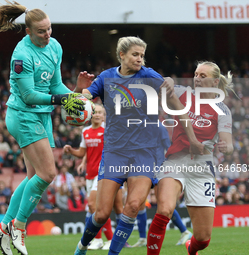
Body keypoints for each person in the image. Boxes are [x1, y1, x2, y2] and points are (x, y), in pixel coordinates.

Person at [73, 36, 204, 255]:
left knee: (133, 206)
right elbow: (80, 102)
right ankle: (82, 246)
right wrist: (78, 90)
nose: (140, 60)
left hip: (144, 153)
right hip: (115, 152)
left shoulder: (148, 76)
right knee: (101, 213)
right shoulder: (106, 78)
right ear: (121, 55)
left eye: (142, 55)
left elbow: (178, 106)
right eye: (135, 54)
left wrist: (192, 139)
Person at [0, 2, 93, 255]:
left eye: (50, 29)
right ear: (28, 32)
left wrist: (75, 93)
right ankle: (19, 227)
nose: (48, 35)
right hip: (23, 115)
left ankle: (3, 226)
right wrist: (64, 100)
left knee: (32, 177)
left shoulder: (55, 46)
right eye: (41, 31)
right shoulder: (21, 55)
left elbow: (55, 86)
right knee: (47, 174)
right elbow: (29, 95)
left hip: (41, 117)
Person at [146, 61, 234, 255]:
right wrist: (167, 80)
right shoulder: (184, 93)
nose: (197, 79)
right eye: (196, 74)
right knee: (164, 210)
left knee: (202, 239)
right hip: (175, 160)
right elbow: (166, 82)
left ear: (215, 81)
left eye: (203, 76)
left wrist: (226, 146)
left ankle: (190, 248)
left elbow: (228, 143)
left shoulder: (222, 110)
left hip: (202, 167)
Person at [64, 104, 119, 250]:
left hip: (104, 173)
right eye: (95, 112)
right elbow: (83, 152)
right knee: (95, 208)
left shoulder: (108, 129)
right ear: (90, 114)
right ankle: (103, 240)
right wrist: (71, 151)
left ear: (104, 115)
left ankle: (105, 240)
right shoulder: (86, 131)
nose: (98, 115)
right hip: (90, 173)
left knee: (92, 205)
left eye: (101, 112)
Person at [132, 123, 192, 248]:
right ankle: (143, 238)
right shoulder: (137, 126)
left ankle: (185, 231)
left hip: (159, 168)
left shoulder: (159, 127)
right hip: (143, 168)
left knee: (163, 203)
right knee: (139, 202)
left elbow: (168, 148)